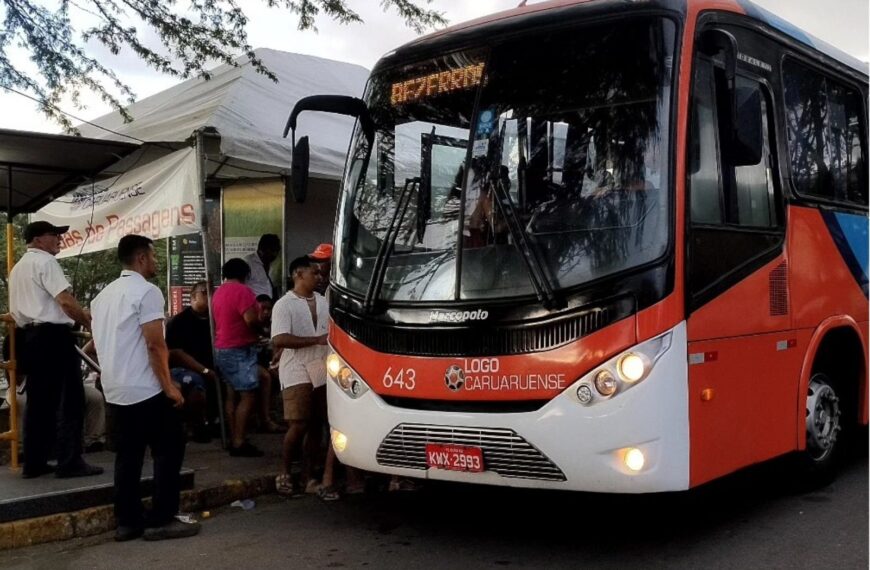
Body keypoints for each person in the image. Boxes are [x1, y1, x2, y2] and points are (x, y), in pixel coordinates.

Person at [91, 234, 200, 542]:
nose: (156, 262)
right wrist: (169, 386)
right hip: (145, 389)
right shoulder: (147, 292)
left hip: (115, 388)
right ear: (140, 258)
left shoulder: (103, 296)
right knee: (168, 450)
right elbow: (155, 344)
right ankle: (162, 519)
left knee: (128, 457)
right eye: (153, 257)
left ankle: (127, 522)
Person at [9, 220, 103, 479]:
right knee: (70, 399)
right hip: (52, 336)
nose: (59, 239)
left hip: (28, 337)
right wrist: (88, 322)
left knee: (39, 402)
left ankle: (34, 461)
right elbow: (65, 301)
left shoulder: (18, 268)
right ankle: (69, 461)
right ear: (38, 240)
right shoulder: (46, 263)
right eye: (54, 235)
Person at [271, 256, 329, 497]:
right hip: (295, 368)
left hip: (321, 365)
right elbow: (279, 339)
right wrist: (315, 340)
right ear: (298, 274)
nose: (318, 277)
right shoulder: (284, 304)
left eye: (319, 273)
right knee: (298, 423)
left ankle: (308, 477)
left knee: (317, 423)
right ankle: (284, 472)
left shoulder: (324, 301)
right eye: (313, 273)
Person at [212, 258, 264, 457]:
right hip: (239, 348)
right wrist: (262, 331)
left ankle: (234, 435)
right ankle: (239, 441)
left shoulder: (219, 292)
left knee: (231, 394)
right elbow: (250, 320)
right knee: (248, 395)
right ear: (246, 274)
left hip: (222, 347)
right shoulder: (243, 291)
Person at [165, 281, 218, 443]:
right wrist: (204, 370)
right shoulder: (178, 322)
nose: (210, 296)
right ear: (194, 296)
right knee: (195, 385)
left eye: (212, 292)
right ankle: (197, 425)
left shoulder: (215, 321)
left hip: (214, 364)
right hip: (185, 369)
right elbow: (175, 353)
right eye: (205, 292)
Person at [243, 234, 281, 299]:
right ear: (261, 250)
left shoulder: (272, 264)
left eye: (276, 252)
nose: (274, 255)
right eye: (271, 252)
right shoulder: (248, 263)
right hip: (254, 303)